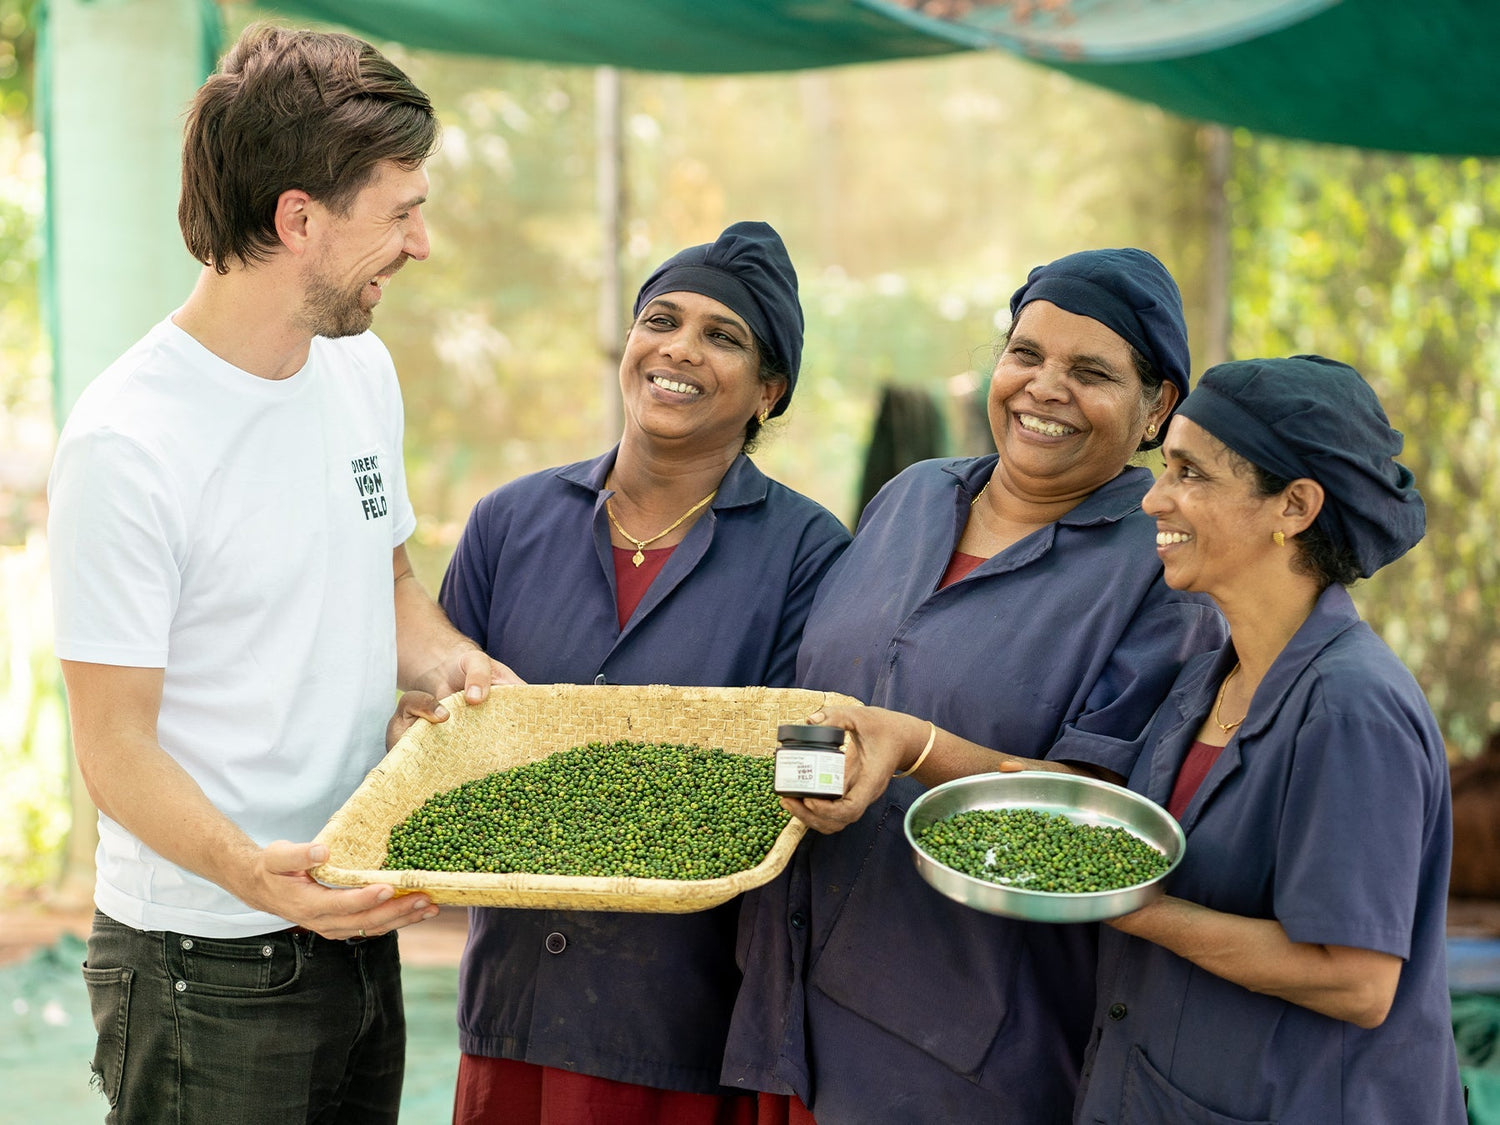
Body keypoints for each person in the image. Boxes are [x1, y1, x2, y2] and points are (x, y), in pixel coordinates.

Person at [46, 25, 516, 1124]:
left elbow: (385, 579)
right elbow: (112, 746)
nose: (423, 242)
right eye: (400, 210)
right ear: (298, 218)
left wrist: (457, 666)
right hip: (203, 960)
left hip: (354, 915)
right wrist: (251, 871)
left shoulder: (360, 368)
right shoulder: (128, 441)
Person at [723, 248, 1230, 1123]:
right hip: (789, 1001)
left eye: (1092, 371)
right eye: (1025, 353)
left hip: (966, 1044)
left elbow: (1105, 823)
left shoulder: (1159, 574)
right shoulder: (911, 498)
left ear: (1159, 407)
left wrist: (917, 749)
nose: (1044, 387)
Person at [435, 220, 851, 1124]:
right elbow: (433, 733)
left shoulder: (807, 553)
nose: (680, 349)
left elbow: (782, 768)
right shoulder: (510, 524)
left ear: (767, 392)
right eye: (661, 318)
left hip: (681, 1019)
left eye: (723, 335)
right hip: (510, 1005)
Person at [1066, 355, 1466, 1123]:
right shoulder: (1210, 679)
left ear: (1295, 505)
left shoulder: (1353, 707)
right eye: (1164, 467)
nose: (1155, 497)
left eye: (1191, 473)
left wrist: (1126, 907)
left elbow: (1355, 978)